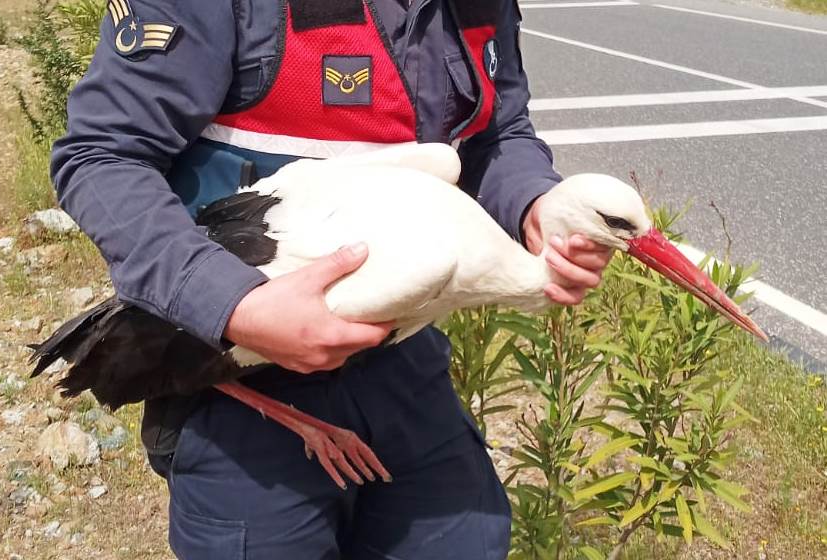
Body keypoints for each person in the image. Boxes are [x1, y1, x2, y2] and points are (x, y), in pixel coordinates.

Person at [50, 0, 612, 557]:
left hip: (400, 354)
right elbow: (102, 156)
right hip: (231, 367)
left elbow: (497, 133)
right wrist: (235, 306)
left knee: (469, 540)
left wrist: (532, 201)